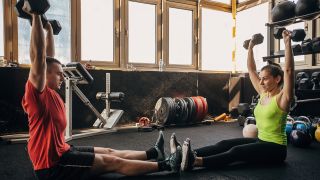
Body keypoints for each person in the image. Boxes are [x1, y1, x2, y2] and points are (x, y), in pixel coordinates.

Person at [21, 13, 182, 180]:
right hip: (52, 166)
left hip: (63, 150)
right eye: (59, 75)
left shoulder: (50, 92)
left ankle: (153, 153)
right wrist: (36, 14)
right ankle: (168, 164)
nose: (63, 77)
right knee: (112, 161)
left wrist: (47, 29)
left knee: (109, 152)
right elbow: (39, 57)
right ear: (43, 74)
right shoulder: (36, 95)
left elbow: (47, 58)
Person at [178, 30, 295, 171]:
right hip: (261, 140)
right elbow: (251, 70)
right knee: (224, 143)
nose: (261, 82)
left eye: (265, 78)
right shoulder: (264, 93)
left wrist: (287, 43)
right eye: (261, 78)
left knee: (237, 151)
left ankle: (195, 161)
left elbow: (288, 70)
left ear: (277, 79)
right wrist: (251, 47)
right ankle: (185, 155)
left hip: (276, 149)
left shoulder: (283, 98)